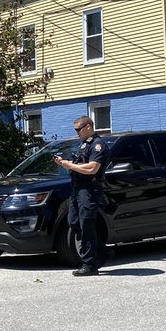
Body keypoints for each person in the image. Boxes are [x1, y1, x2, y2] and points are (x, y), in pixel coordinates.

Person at [55, 116, 107, 276]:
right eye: (75, 129)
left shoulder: (98, 145)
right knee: (74, 221)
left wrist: (69, 165)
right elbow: (79, 163)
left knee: (87, 226)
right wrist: (64, 162)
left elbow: (93, 168)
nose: (76, 132)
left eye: (78, 129)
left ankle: (89, 264)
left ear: (88, 127)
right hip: (77, 189)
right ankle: (101, 253)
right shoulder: (84, 145)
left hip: (89, 190)